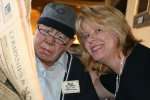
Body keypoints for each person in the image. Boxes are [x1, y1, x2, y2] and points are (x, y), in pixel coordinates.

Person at [75, 5, 150, 100]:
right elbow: (92, 89)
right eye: (86, 36)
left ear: (117, 29)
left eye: (98, 30)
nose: (90, 39)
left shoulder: (142, 67)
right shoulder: (118, 71)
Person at [34, 3, 99, 100]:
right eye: (45, 31)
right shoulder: (17, 58)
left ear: (69, 44)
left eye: (60, 37)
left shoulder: (78, 70)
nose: (49, 41)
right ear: (36, 29)